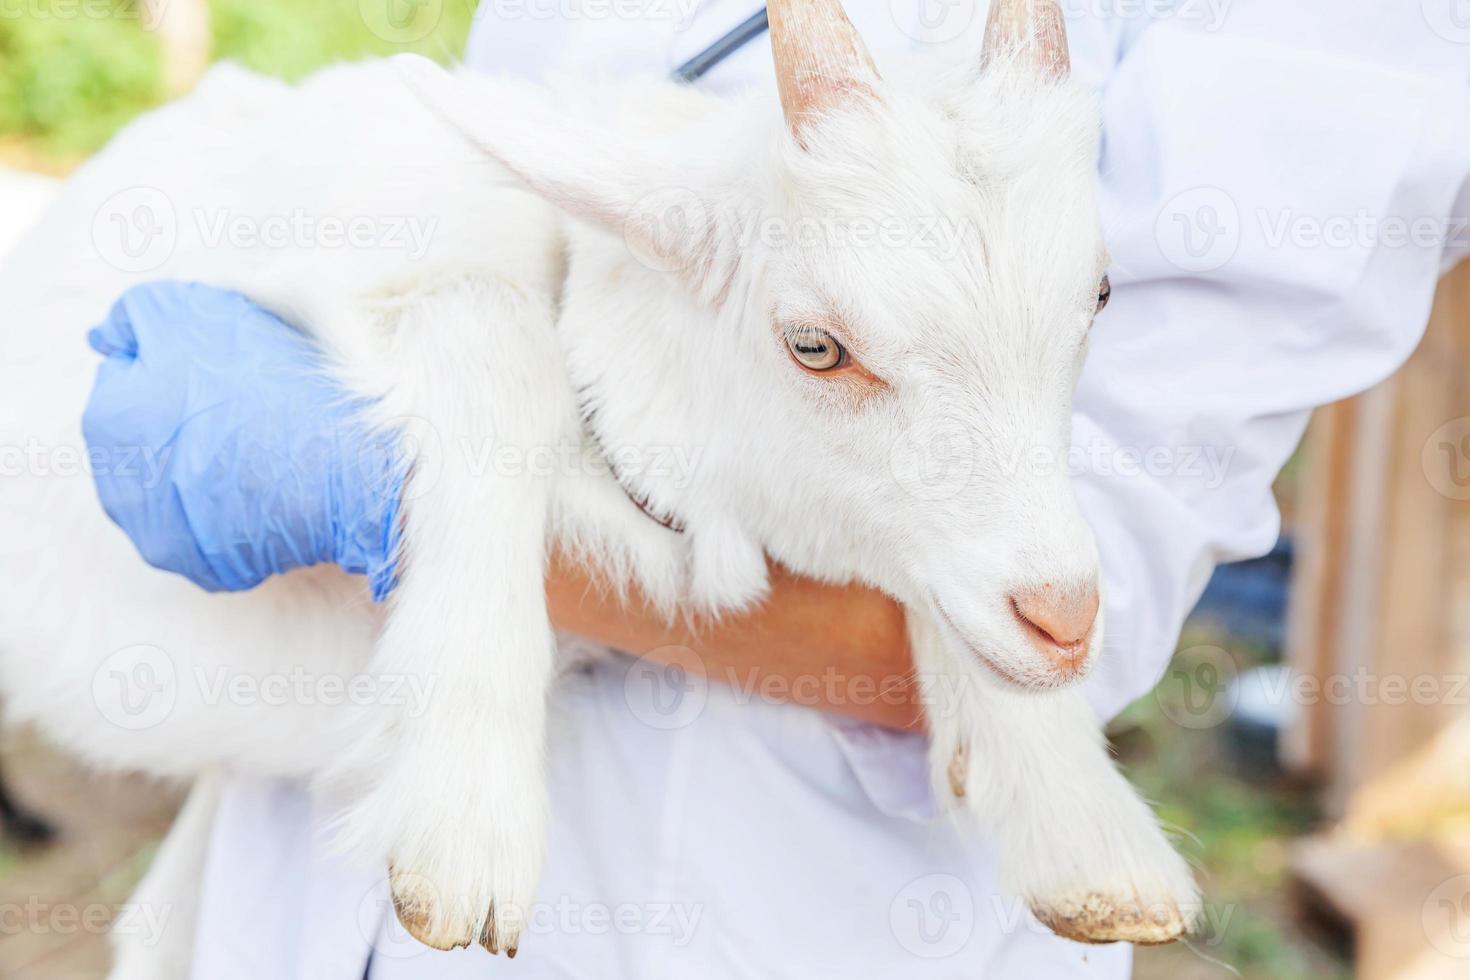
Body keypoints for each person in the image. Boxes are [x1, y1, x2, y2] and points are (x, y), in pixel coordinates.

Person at [79, 1, 1470, 977]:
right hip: (333, 861)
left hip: (775, 913)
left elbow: (1066, 603)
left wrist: (401, 488)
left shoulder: (1325, 35)